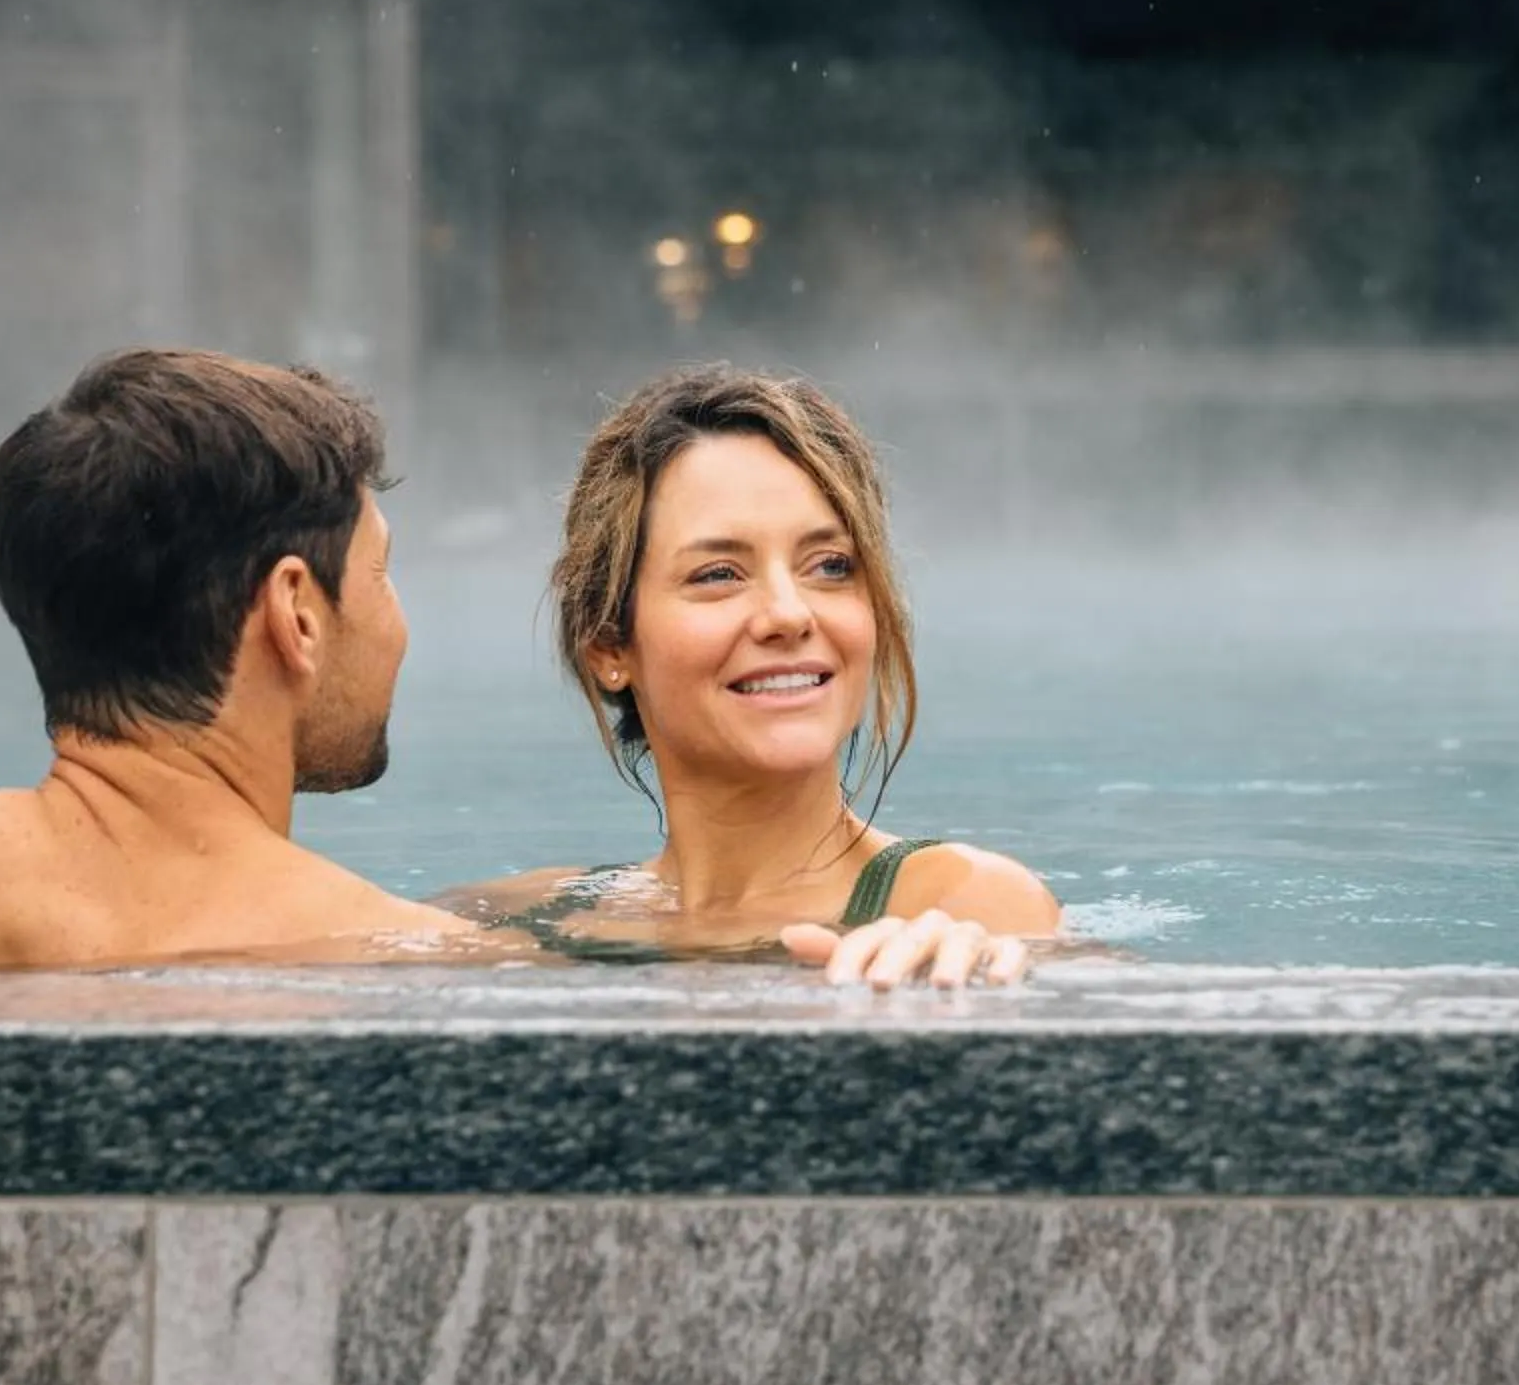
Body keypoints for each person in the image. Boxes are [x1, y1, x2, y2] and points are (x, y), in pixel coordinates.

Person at [0, 349, 1007, 986]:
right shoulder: (418, 963)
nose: (395, 629)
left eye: (826, 564)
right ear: (295, 612)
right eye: (381, 583)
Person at [438, 366, 1059, 988]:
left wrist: (984, 971)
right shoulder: (527, 916)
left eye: (831, 565)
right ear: (607, 645)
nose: (789, 614)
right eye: (718, 574)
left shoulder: (963, 903)